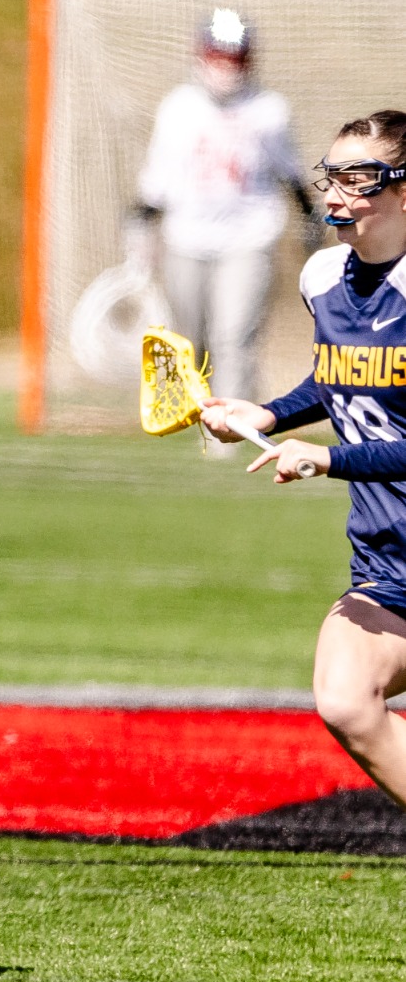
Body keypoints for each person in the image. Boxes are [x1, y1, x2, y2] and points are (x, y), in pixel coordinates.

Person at [202, 111, 406, 813]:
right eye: (331, 175)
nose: (337, 193)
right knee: (346, 700)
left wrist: (328, 459)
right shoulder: (323, 277)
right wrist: (266, 415)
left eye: (359, 178)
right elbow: (337, 377)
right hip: (388, 562)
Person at [134, 7, 313, 405]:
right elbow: (158, 176)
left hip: (249, 235)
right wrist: (141, 222)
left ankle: (230, 428)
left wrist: (308, 216)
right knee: (191, 340)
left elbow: (290, 171)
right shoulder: (178, 107)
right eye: (220, 57)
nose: (227, 67)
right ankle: (199, 415)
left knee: (234, 338)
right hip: (186, 237)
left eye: (235, 59)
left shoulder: (269, 109)